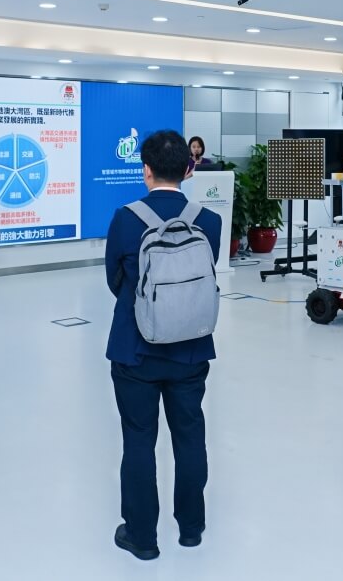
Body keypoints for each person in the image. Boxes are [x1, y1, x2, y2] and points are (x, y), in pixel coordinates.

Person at [105, 130, 222, 560]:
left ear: (146, 170)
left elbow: (116, 281)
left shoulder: (125, 219)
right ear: (189, 169)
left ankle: (142, 536)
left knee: (138, 439)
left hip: (135, 348)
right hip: (191, 347)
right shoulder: (210, 221)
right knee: (189, 435)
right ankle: (191, 528)